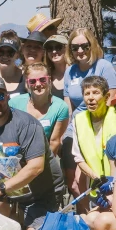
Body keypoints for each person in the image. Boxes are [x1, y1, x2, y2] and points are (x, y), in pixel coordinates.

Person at [0, 75, 56, 228]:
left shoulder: (27, 124)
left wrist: (0, 188)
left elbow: (36, 166)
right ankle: (7, 218)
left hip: (38, 196)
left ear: (7, 97)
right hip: (7, 195)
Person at [12, 66, 70, 195]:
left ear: (49, 81)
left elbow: (54, 142)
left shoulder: (60, 107)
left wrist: (37, 166)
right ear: (27, 83)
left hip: (44, 159)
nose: (38, 84)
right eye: (33, 81)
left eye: (43, 80)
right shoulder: (14, 104)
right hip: (16, 158)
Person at [70, 75, 116, 194]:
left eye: (96, 92)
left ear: (106, 96)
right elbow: (78, 157)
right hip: (97, 186)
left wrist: (113, 181)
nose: (90, 98)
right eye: (87, 94)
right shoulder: (78, 120)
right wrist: (97, 179)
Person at [62, 28, 116, 107]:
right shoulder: (69, 71)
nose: (80, 51)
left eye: (85, 46)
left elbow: (111, 100)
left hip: (100, 116)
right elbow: (68, 106)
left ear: (92, 45)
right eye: (75, 47)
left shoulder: (104, 66)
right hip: (77, 118)